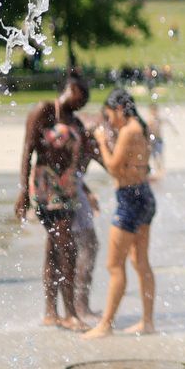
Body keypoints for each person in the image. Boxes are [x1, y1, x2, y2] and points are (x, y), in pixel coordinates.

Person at [15, 72, 96, 331]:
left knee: (54, 248)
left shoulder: (75, 122)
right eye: (80, 96)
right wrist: (23, 192)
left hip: (69, 191)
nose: (82, 103)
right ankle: (70, 313)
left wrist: (86, 188)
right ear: (70, 89)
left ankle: (51, 311)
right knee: (67, 247)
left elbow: (80, 160)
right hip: (46, 189)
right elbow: (28, 149)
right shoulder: (44, 110)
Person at [83, 89, 157, 338]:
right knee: (140, 262)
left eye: (109, 114)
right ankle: (147, 323)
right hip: (144, 196)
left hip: (130, 201)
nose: (109, 120)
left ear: (120, 109)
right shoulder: (140, 127)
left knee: (114, 264)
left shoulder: (129, 131)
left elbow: (113, 168)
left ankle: (105, 325)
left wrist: (102, 141)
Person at [71, 172, 100, 324]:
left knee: (68, 247)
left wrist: (87, 192)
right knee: (89, 245)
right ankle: (80, 307)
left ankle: (71, 308)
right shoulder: (81, 147)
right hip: (66, 188)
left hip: (65, 185)